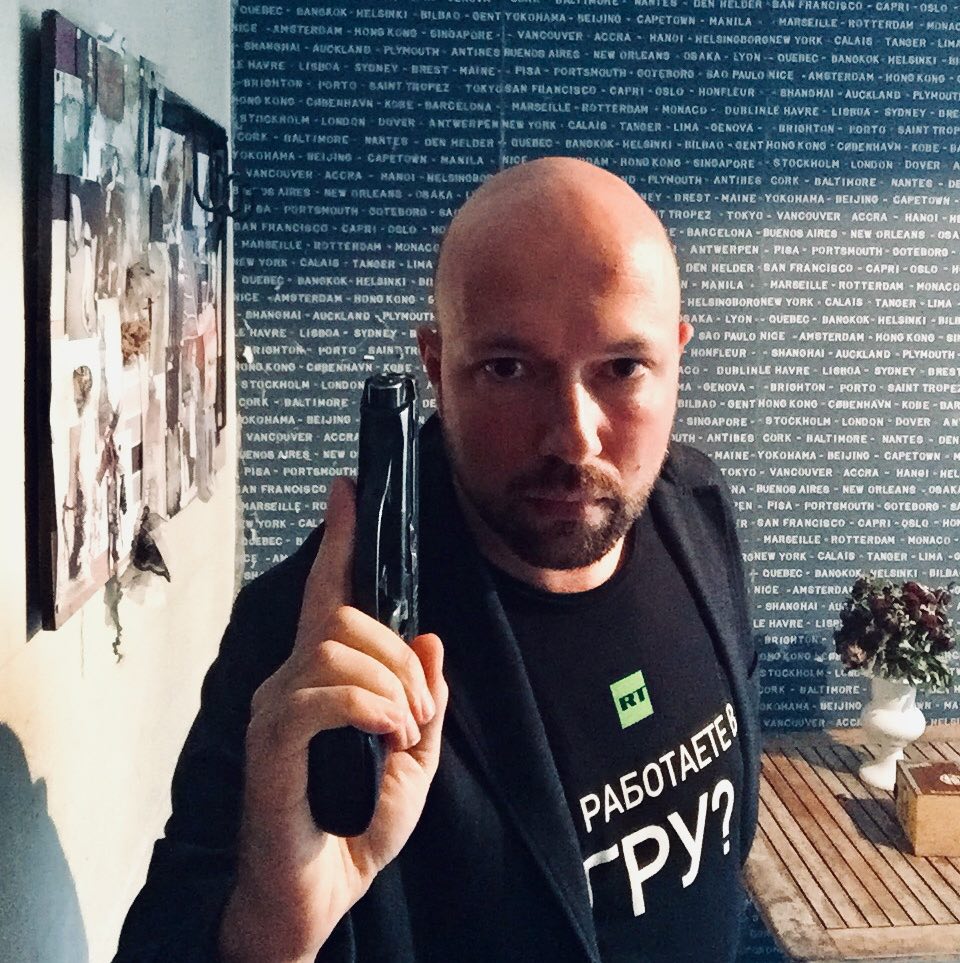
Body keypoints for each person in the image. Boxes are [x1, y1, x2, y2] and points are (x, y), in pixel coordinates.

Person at [114, 157, 760, 963]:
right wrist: (274, 928)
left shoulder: (696, 508)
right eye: (508, 369)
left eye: (623, 367)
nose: (573, 437)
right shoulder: (314, 638)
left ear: (676, 356)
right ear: (435, 366)